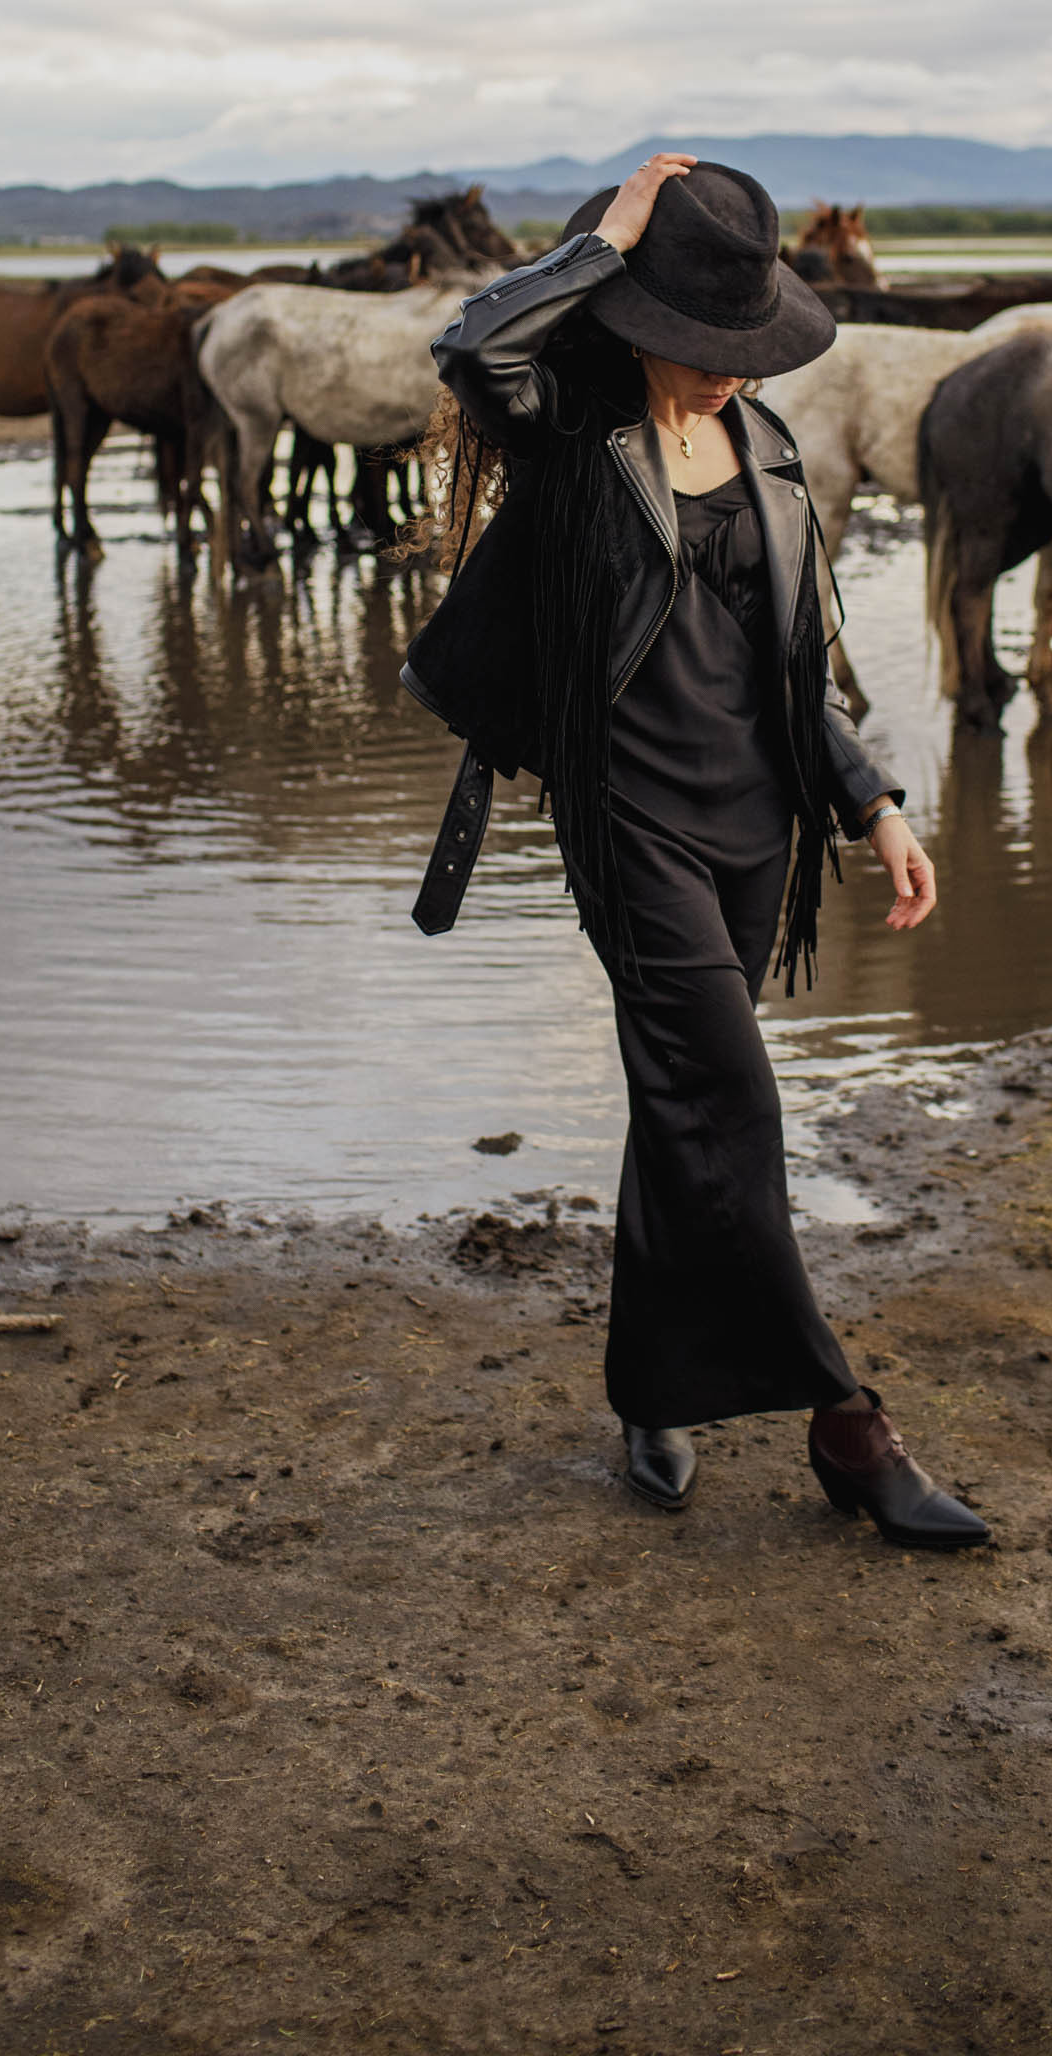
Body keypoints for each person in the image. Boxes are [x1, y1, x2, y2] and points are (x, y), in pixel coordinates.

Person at [402, 153, 989, 1550]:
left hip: (753, 836)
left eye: (747, 344)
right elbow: (475, 348)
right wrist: (600, 242)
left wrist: (875, 803)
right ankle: (848, 1422)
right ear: (642, 315)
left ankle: (653, 1384)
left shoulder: (771, 452)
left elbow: (798, 667)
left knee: (684, 1110)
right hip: (631, 826)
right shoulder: (577, 430)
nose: (729, 370)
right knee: (734, 1106)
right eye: (701, 342)